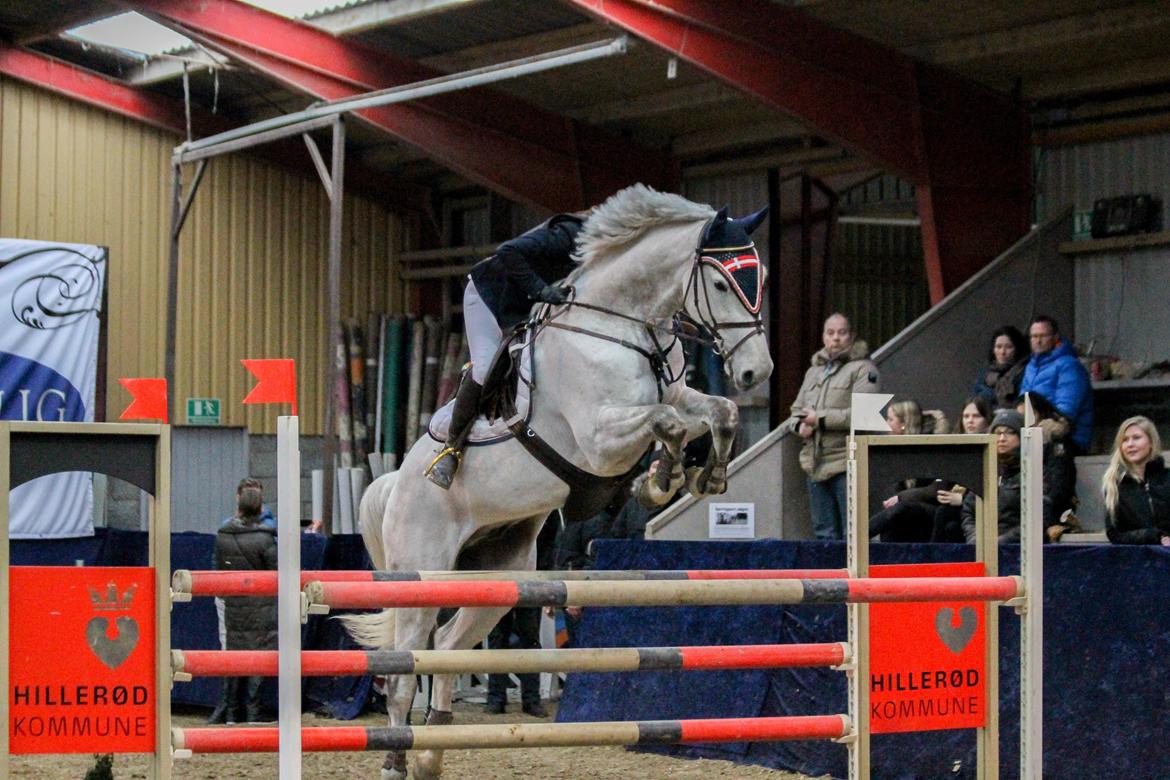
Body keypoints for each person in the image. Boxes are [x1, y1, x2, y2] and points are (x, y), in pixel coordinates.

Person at [426, 214, 585, 489]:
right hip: (488, 295)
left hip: (525, 308)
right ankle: (451, 449)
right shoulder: (569, 234)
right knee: (487, 367)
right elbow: (508, 251)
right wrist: (542, 291)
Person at [789, 313, 880, 540]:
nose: (835, 338)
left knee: (855, 535)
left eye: (842, 333)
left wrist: (819, 419)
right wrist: (799, 425)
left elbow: (865, 415)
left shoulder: (865, 370)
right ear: (823, 337)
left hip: (847, 464)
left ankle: (853, 577)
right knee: (824, 535)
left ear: (852, 336)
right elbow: (795, 411)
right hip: (814, 464)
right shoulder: (813, 372)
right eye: (830, 333)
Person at [210, 481, 278, 725]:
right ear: (260, 507)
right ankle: (252, 713)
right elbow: (276, 572)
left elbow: (216, 569)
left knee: (233, 655)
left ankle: (230, 713)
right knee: (259, 658)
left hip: (234, 606)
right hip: (261, 606)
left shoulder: (222, 534)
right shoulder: (266, 538)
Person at [960, 409, 1055, 543]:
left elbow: (1038, 518)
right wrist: (975, 539)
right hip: (983, 546)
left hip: (1020, 549)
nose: (1002, 439)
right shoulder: (985, 469)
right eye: (998, 433)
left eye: (1010, 433)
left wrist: (1000, 542)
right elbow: (968, 511)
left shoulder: (1035, 472)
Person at [867, 399, 950, 542]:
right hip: (908, 511)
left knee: (900, 508)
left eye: (890, 419)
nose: (886, 424)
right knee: (893, 518)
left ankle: (854, 540)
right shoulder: (894, 452)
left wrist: (901, 497)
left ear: (904, 423)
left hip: (935, 510)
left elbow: (936, 489)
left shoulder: (931, 449)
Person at [1019, 315, 1094, 454]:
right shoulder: (1030, 367)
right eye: (1034, 337)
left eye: (1043, 336)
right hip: (1036, 433)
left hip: (1069, 439)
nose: (1038, 341)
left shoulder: (1070, 366)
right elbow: (1022, 402)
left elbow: (1066, 411)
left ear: (1055, 337)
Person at [1101, 416, 1170, 545]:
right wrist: (1153, 536)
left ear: (1151, 442)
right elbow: (1115, 535)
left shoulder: (1167, 479)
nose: (1130, 444)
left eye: (1136, 438)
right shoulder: (1114, 486)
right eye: (1125, 440)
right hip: (1137, 560)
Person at [972, 325, 1029, 410]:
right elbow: (973, 400)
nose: (1002, 352)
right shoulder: (985, 373)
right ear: (993, 350)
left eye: (1009, 347)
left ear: (1017, 349)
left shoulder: (1024, 373)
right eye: (998, 347)